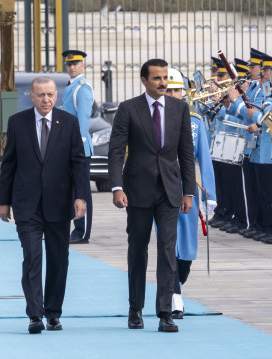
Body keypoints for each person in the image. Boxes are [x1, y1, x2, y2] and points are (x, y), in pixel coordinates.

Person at [108, 59, 196, 333]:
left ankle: (165, 312)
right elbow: (115, 151)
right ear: (144, 80)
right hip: (137, 191)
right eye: (156, 78)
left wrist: (189, 191)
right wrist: (117, 187)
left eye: (165, 77)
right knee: (137, 251)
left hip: (169, 190)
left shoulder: (180, 108)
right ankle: (135, 308)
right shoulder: (128, 109)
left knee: (168, 252)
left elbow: (186, 153)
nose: (162, 83)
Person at [0, 76, 87, 334]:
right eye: (40, 95)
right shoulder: (17, 123)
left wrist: (80, 196)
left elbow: (78, 163)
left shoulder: (69, 123)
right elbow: (9, 164)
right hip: (27, 205)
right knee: (33, 258)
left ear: (56, 96)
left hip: (59, 204)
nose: (46, 99)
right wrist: (4, 201)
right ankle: (35, 315)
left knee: (59, 260)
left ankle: (53, 314)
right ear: (31, 97)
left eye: (50, 94)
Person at [164, 67, 216, 319]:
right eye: (169, 90)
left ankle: (177, 285)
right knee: (168, 243)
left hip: (187, 190)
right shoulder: (154, 119)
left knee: (187, 249)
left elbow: (204, 160)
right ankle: (174, 296)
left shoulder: (195, 122)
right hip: (160, 190)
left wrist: (210, 196)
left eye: (177, 90)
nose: (173, 95)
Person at [61, 50, 95, 245]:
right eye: (69, 64)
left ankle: (82, 232)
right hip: (70, 146)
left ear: (83, 65)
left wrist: (77, 147)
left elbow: (83, 120)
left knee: (82, 191)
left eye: (75, 63)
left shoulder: (82, 87)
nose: (72, 67)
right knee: (73, 189)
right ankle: (75, 227)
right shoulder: (71, 86)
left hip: (79, 147)